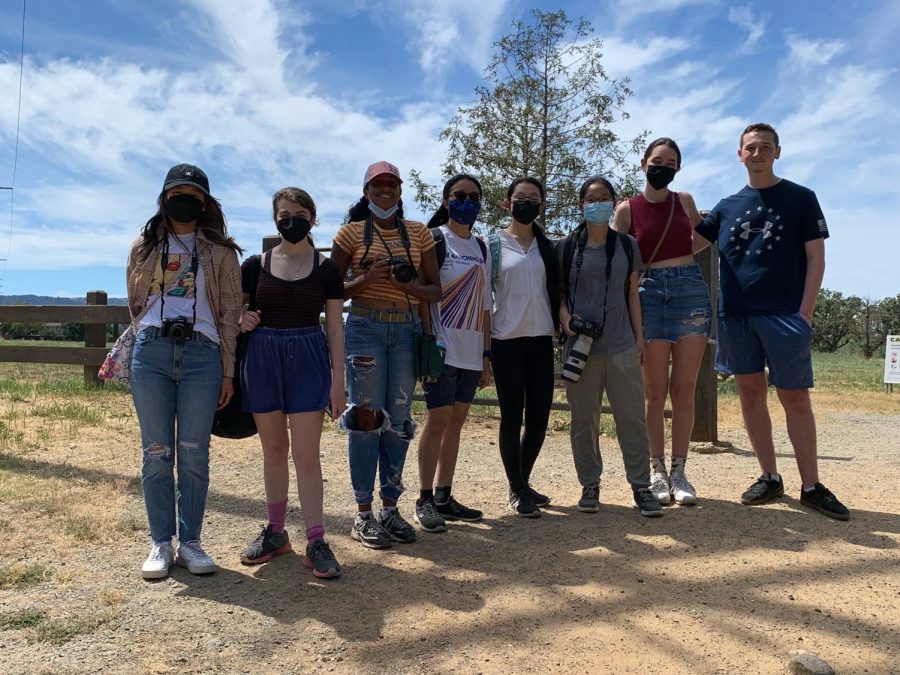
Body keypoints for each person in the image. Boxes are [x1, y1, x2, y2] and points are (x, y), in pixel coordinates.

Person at [694, 122, 850, 520]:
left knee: (795, 397)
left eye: (765, 147)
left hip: (785, 315)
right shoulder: (726, 207)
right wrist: (644, 208)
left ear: (777, 152)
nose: (758, 153)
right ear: (739, 154)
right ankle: (769, 476)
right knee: (750, 395)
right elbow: (686, 243)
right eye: (751, 147)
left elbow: (816, 257)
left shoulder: (801, 198)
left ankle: (811, 485)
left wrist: (805, 312)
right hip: (736, 316)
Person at [126, 164, 243, 579]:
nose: (184, 200)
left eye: (193, 195)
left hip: (202, 355)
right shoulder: (143, 245)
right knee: (157, 453)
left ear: (205, 203)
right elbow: (135, 302)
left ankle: (190, 541)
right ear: (163, 197)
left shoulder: (222, 253)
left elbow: (230, 314)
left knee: (194, 453)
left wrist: (228, 370)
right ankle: (161, 542)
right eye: (177, 192)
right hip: (152, 351)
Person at [330, 161, 442, 548]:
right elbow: (332, 288)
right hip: (364, 329)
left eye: (392, 184)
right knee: (365, 418)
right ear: (366, 191)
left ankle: (390, 508)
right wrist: (365, 280)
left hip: (406, 329)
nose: (386, 190)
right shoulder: (349, 234)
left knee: (398, 419)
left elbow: (435, 291)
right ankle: (363, 513)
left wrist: (403, 285)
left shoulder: (419, 233)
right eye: (378, 184)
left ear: (400, 190)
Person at [238, 187, 346, 578]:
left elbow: (335, 329)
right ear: (274, 218)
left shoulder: (329, 270)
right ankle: (276, 533)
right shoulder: (253, 265)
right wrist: (243, 320)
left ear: (313, 218)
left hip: (309, 356)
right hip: (263, 358)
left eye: (299, 213)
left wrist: (339, 382)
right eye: (284, 214)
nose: (291, 220)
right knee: (273, 451)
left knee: (306, 455)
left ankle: (316, 540)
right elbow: (236, 315)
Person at [612, 138, 711, 506]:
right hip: (647, 294)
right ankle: (656, 472)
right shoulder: (627, 210)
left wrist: (682, 252)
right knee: (653, 392)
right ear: (643, 163)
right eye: (657, 161)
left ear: (677, 169)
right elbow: (620, 263)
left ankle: (680, 470)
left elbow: (703, 237)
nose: (663, 167)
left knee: (683, 389)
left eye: (670, 163)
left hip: (689, 290)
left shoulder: (683, 201)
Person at [559, 176, 663, 517]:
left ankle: (641, 486)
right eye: (591, 198)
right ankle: (589, 485)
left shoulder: (626, 245)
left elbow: (633, 292)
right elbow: (557, 292)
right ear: (581, 205)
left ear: (614, 202)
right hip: (580, 348)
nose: (598, 203)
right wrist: (564, 317)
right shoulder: (566, 246)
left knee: (631, 418)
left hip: (620, 344)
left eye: (605, 198)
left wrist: (639, 338)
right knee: (583, 420)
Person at [413, 174, 492, 533]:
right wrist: (428, 340)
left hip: (472, 350)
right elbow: (421, 295)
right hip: (442, 348)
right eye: (459, 195)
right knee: (438, 421)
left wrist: (487, 354)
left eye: (474, 196)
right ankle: (425, 497)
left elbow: (486, 305)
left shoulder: (483, 247)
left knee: (456, 424)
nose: (467, 202)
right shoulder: (434, 240)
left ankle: (445, 494)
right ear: (446, 201)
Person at [488, 177, 560, 518]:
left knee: (539, 418)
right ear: (507, 203)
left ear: (542, 205)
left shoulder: (548, 247)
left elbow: (556, 291)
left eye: (534, 198)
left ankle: (523, 481)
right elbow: (484, 299)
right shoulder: (492, 245)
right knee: (512, 415)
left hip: (541, 339)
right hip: (506, 341)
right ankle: (516, 488)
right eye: (521, 197)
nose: (527, 203)